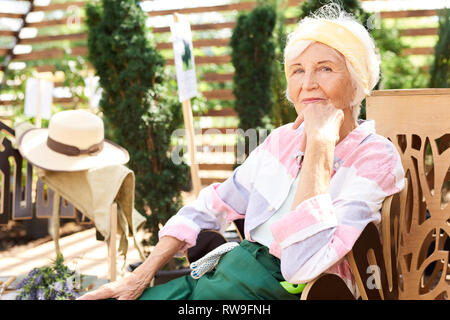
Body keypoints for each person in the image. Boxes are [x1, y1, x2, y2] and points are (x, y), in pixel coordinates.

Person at [78, 4, 405, 300]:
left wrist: (320, 144)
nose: (307, 83)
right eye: (297, 70)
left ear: (359, 81)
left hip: (296, 292)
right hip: (228, 274)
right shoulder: (281, 142)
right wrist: (141, 273)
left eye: (325, 68)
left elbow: (302, 265)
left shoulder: (375, 158)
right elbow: (210, 205)